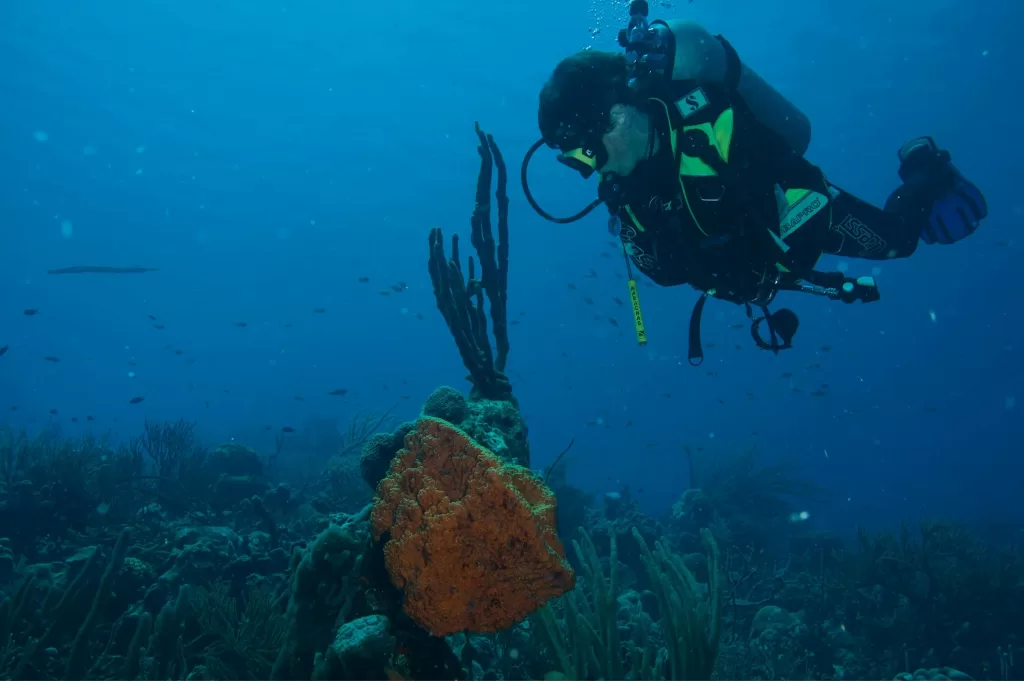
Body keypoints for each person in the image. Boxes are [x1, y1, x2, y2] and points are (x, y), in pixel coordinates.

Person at [520, 2, 987, 363]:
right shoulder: (626, 193)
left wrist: (781, 253)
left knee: (901, 240)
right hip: (762, 262)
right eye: (574, 163)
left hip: (794, 217)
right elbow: (665, 271)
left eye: (586, 151)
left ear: (618, 116)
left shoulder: (704, 121)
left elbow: (792, 181)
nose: (590, 170)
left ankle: (926, 167)